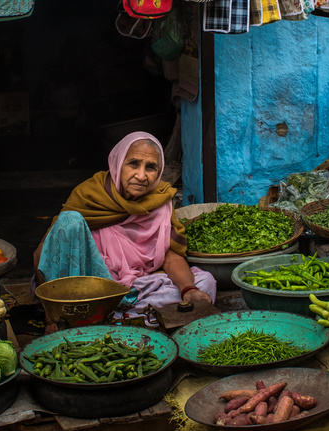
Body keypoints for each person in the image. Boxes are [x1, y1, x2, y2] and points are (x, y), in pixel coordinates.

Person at [32, 131, 216, 331]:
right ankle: (84, 313)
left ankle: (116, 317)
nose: (141, 175)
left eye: (151, 167)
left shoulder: (159, 201)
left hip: (135, 287)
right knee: (70, 221)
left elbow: (170, 258)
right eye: (133, 163)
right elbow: (44, 256)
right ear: (118, 163)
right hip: (90, 285)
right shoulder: (90, 195)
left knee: (204, 282)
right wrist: (52, 316)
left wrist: (188, 290)